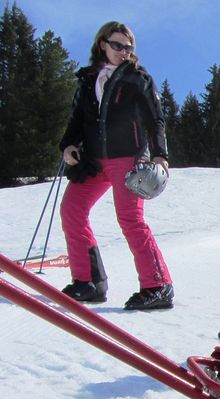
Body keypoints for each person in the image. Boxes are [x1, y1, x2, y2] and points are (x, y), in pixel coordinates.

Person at [58, 21, 173, 310]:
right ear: (103, 44)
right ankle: (89, 282)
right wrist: (68, 145)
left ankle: (157, 286)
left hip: (128, 158)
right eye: (118, 45)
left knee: (130, 219)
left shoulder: (137, 78)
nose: (124, 51)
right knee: (72, 210)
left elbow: (155, 118)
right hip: (93, 160)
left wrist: (160, 154)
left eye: (128, 47)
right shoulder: (87, 80)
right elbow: (77, 120)